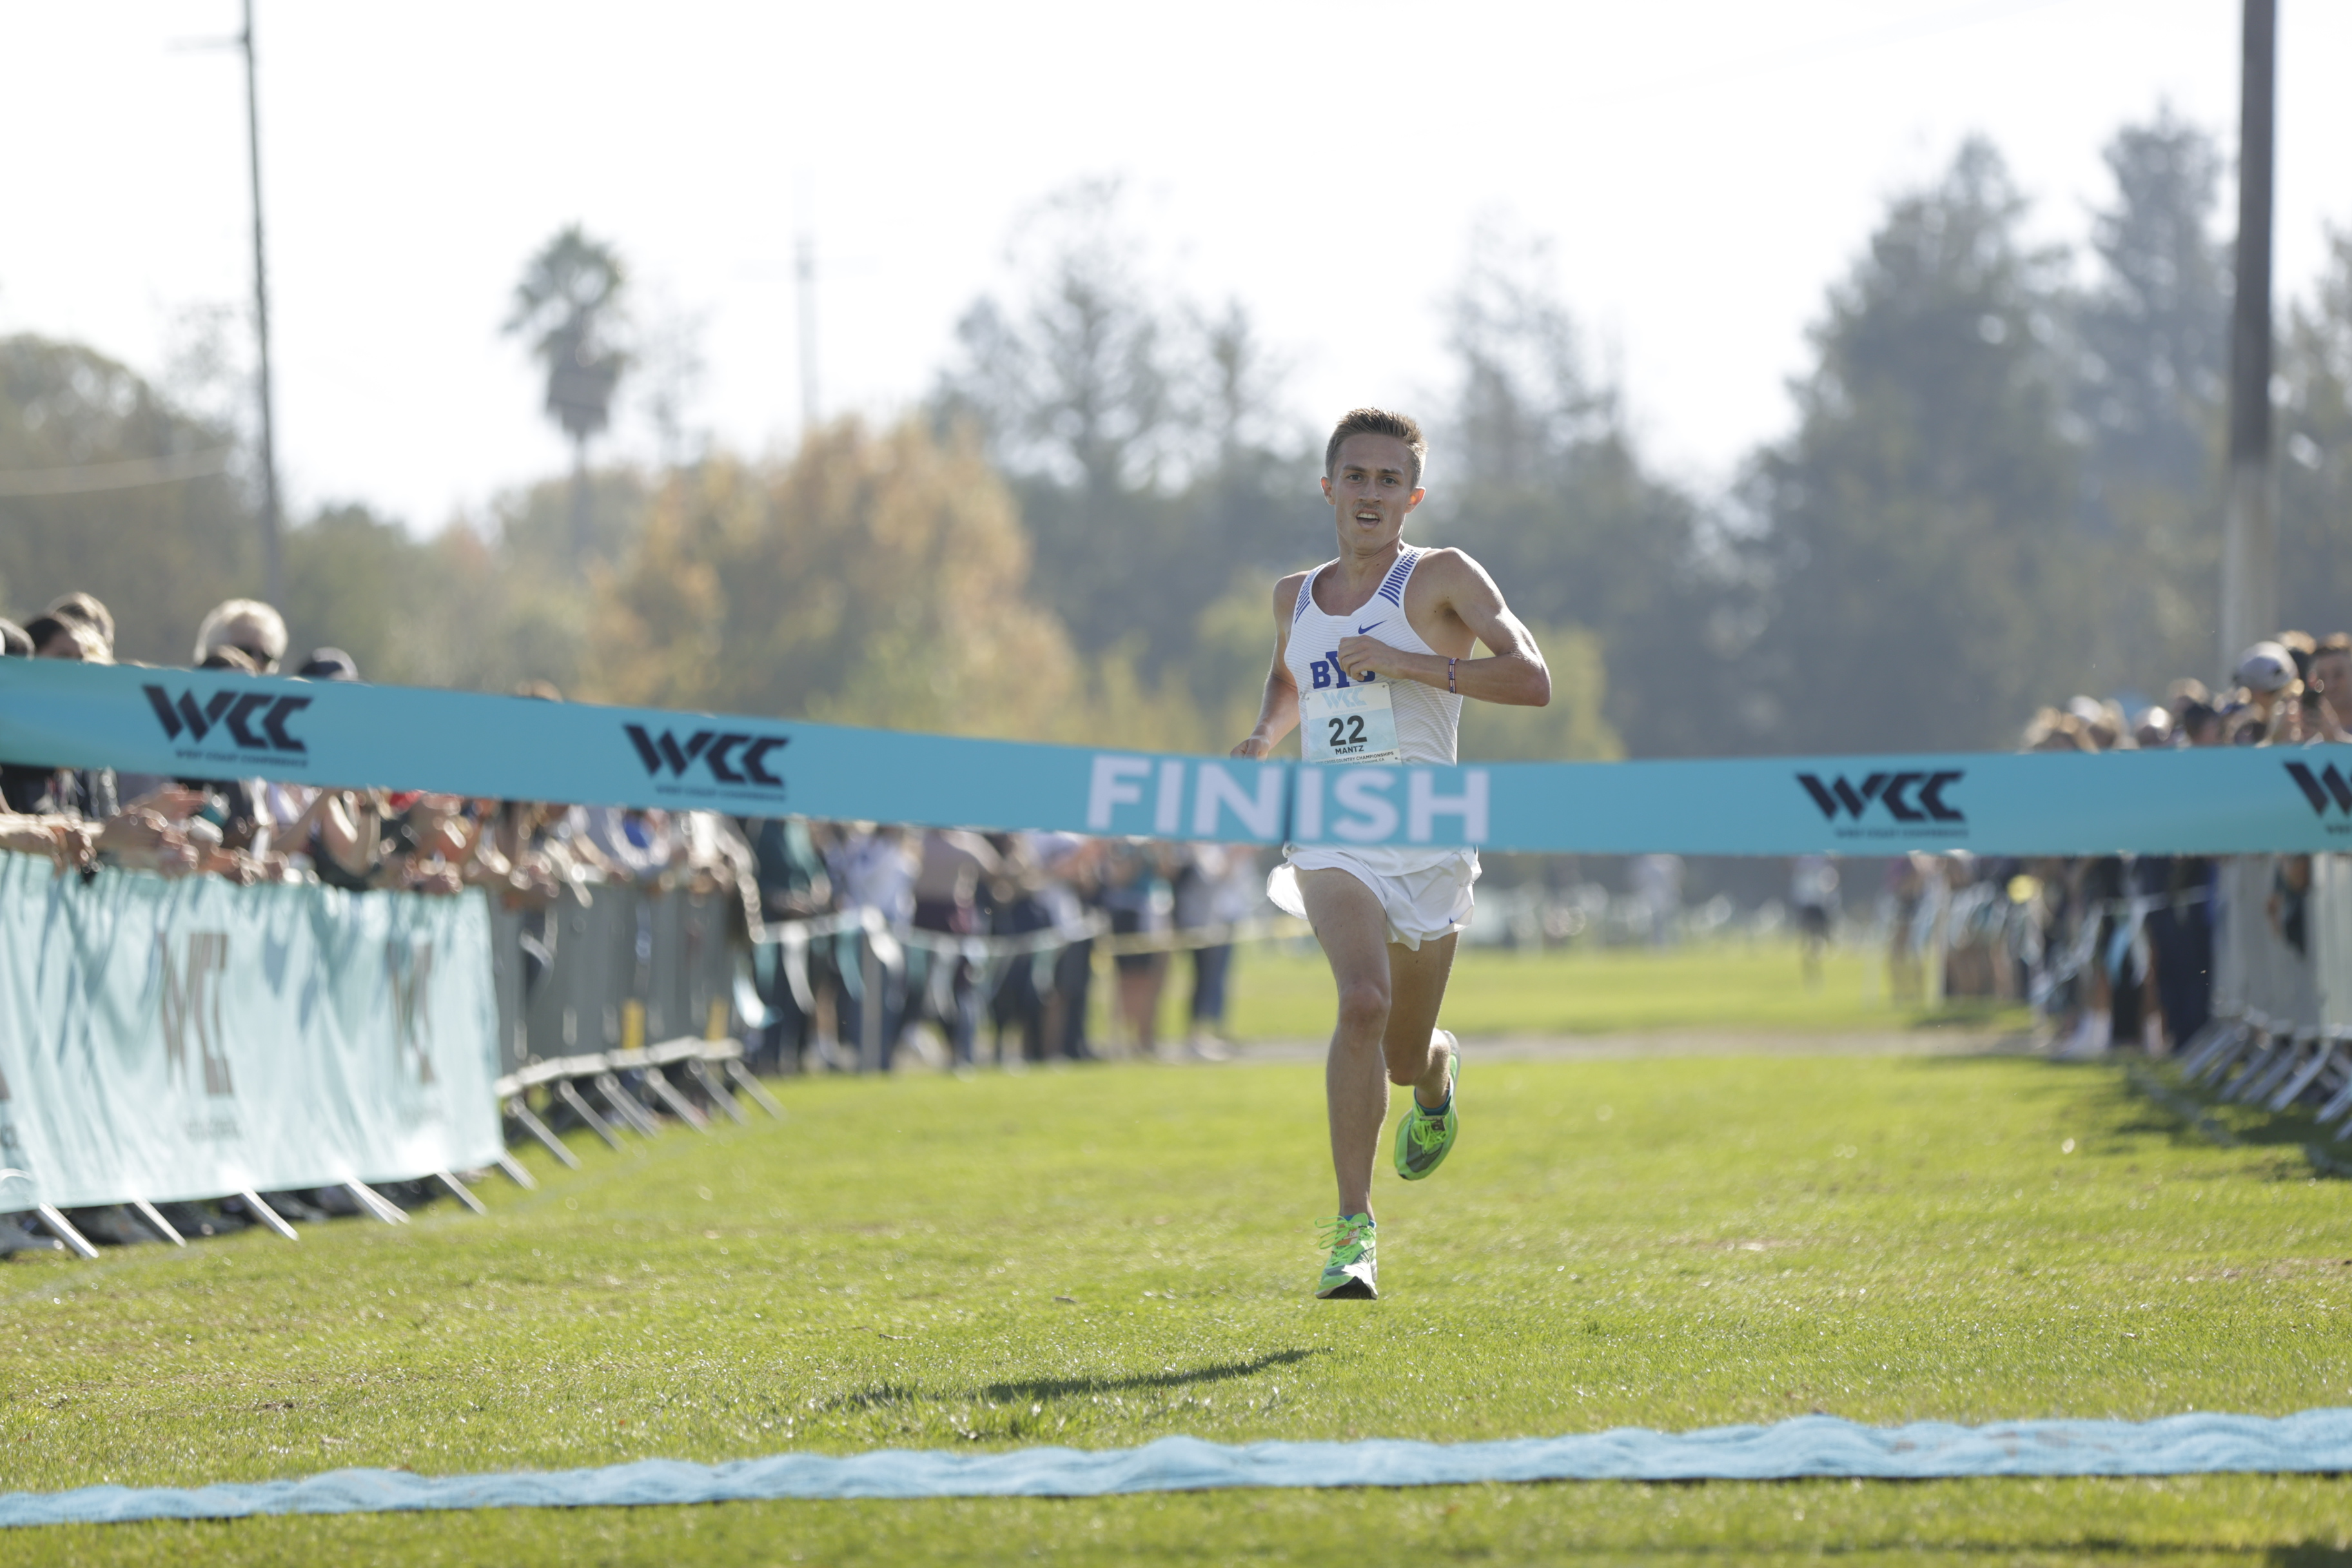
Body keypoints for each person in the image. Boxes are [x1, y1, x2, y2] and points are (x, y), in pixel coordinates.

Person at [1230, 407, 1551, 1300]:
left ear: (1413, 496)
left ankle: (1439, 1069)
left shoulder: (1442, 577)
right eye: (1354, 477)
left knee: (1403, 1055)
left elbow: (1531, 678)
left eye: (1387, 481)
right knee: (1360, 1003)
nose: (1370, 494)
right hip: (1331, 833)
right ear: (1328, 487)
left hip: (1430, 845)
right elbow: (1292, 675)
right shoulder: (1293, 595)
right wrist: (1263, 735)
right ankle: (1352, 1232)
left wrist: (1411, 665)